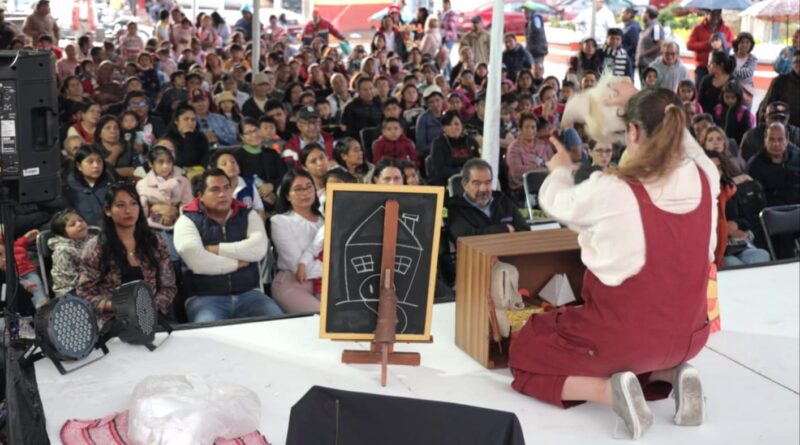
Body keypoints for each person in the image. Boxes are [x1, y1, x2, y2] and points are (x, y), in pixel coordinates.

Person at [509, 85, 719, 440]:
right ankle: (672, 374)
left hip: (624, 341)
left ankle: (610, 391)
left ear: (632, 132)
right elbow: (689, 145)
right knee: (646, 342)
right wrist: (643, 98)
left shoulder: (616, 190)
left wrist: (560, 169)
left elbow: (557, 201)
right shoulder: (706, 175)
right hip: (691, 336)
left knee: (525, 350)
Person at [174, 169, 282, 323]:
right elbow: (197, 261)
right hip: (204, 297)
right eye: (215, 189)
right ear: (201, 196)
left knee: (279, 324)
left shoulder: (248, 214)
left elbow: (258, 249)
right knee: (209, 333)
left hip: (248, 293)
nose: (222, 194)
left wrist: (215, 249)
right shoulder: (187, 220)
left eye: (226, 188)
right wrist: (237, 263)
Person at [77, 183, 176, 325]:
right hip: (113, 319)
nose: (129, 210)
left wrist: (150, 307)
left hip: (154, 314)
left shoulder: (155, 241)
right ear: (108, 210)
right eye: (120, 205)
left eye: (133, 203)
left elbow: (168, 286)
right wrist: (117, 307)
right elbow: (84, 293)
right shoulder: (96, 247)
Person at [270, 169, 326, 313]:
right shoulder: (280, 221)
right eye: (298, 189)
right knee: (323, 318)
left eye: (309, 187)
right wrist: (333, 270)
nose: (305, 192)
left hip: (326, 283)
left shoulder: (325, 220)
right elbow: (298, 267)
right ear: (287, 195)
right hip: (293, 283)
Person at [705, 151, 770, 267]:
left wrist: (737, 224)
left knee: (761, 255)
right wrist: (724, 228)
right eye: (710, 168)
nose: (715, 172)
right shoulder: (696, 197)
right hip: (713, 249)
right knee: (733, 263)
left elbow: (746, 220)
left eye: (719, 168)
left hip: (736, 245)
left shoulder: (730, 190)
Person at [446, 159, 529, 242]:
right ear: (464, 184)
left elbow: (525, 232)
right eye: (477, 183)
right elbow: (464, 238)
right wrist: (504, 229)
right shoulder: (455, 208)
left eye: (488, 182)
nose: (483, 189)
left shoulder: (503, 200)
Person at [233, 117, 286, 210]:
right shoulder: (237, 157)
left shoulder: (272, 153)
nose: (254, 135)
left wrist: (272, 186)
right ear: (242, 137)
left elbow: (284, 176)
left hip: (276, 198)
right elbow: (237, 182)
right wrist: (260, 194)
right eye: (248, 133)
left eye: (256, 130)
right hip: (249, 202)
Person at [746, 123, 800, 207]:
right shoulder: (754, 165)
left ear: (787, 140)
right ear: (765, 140)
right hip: (771, 211)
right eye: (771, 139)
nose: (776, 144)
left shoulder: (797, 157)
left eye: (780, 139)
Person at [63, 145, 115, 227]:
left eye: (99, 161)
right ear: (79, 166)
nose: (96, 165)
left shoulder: (111, 184)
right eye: (90, 162)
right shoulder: (69, 189)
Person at [209, 149, 266, 221]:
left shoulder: (249, 185)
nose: (230, 165)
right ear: (215, 170)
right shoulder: (213, 189)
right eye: (224, 164)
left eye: (233, 162)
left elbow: (259, 210)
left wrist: (259, 227)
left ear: (238, 167)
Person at [428, 111, 480, 186]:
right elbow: (440, 170)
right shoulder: (438, 144)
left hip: (471, 181)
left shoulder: (470, 141)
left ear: (462, 125)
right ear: (443, 128)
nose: (454, 127)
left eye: (456, 124)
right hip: (446, 182)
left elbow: (478, 162)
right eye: (449, 125)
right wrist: (462, 171)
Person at [47, 209, 91, 297]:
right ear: (64, 233)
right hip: (70, 293)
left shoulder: (92, 240)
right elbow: (72, 281)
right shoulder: (62, 251)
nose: (79, 224)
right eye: (72, 224)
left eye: (81, 220)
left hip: (92, 284)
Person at [0, 229, 47, 309]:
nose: (4, 258)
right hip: (13, 278)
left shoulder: (16, 244)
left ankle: (42, 308)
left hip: (28, 272)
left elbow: (25, 239)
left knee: (39, 295)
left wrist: (27, 236)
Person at [686, 9, 733, 86]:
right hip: (703, 67)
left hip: (721, 68)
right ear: (707, 14)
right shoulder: (697, 29)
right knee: (701, 90)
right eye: (713, 14)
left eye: (718, 14)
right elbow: (689, 45)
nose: (715, 17)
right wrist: (707, 44)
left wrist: (722, 44)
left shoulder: (727, 29)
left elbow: (731, 44)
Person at [506, 113, 549, 191]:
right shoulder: (514, 148)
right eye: (527, 127)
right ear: (520, 129)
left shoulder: (543, 144)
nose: (530, 130)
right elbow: (516, 171)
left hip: (546, 182)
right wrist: (542, 170)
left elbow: (552, 162)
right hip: (524, 187)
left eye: (533, 127)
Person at [756, 56, 800, 128]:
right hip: (781, 130)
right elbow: (766, 108)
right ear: (792, 63)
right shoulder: (781, 81)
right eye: (797, 62)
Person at [165, 104, 210, 169]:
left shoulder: (201, 138)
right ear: (176, 121)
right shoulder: (168, 140)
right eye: (186, 119)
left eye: (193, 119)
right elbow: (184, 162)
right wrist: (189, 136)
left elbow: (205, 162)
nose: (190, 123)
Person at [713, 81, 753, 146]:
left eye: (733, 97)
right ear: (722, 96)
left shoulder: (743, 112)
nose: (730, 100)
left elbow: (747, 132)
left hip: (736, 145)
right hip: (720, 143)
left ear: (738, 97)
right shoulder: (718, 109)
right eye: (727, 97)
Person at [697, 51, 734, 118]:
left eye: (710, 63)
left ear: (721, 65)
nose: (708, 65)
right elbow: (699, 102)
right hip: (706, 119)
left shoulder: (732, 82)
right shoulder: (706, 80)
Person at [636, 7, 665, 84]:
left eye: (643, 13)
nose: (641, 15)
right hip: (643, 63)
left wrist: (643, 54)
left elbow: (659, 45)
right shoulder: (647, 26)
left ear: (648, 14)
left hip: (650, 63)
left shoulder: (656, 27)